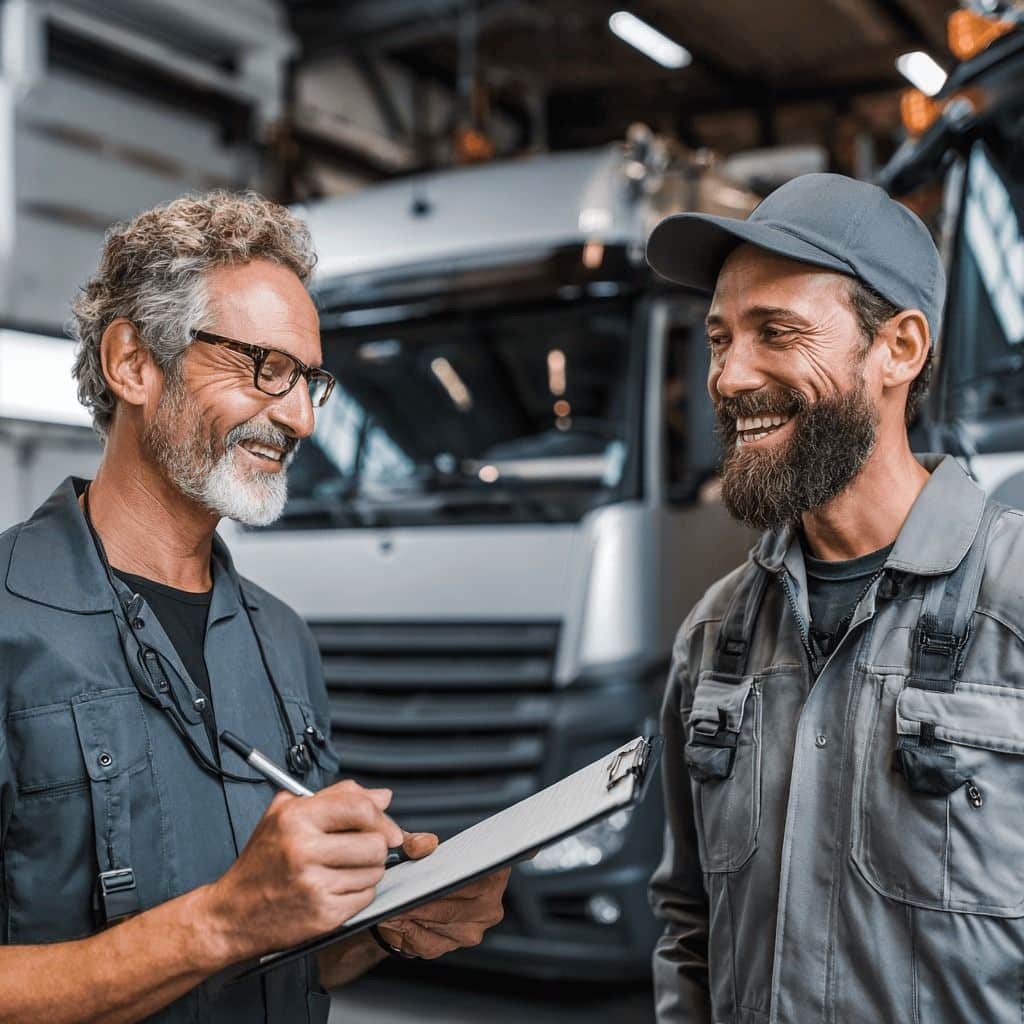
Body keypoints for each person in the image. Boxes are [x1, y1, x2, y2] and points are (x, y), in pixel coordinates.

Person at [0, 191, 508, 1023]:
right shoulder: (11, 624)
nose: (301, 416)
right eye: (265, 368)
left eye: (310, 381)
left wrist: (384, 922)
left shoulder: (281, 640)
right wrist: (220, 921)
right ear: (133, 362)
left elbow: (289, 950)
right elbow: (237, 924)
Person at [645, 173, 1024, 1022]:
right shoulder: (714, 635)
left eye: (776, 332)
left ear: (900, 349)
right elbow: (687, 923)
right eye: (719, 338)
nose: (729, 376)